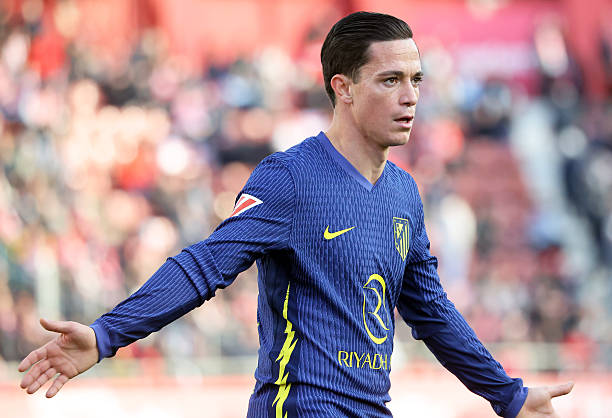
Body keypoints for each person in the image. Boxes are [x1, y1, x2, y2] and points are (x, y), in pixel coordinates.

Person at [18, 11, 572, 417]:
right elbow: (205, 265)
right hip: (298, 407)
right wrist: (106, 334)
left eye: (416, 80)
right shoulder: (289, 178)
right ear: (343, 88)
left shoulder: (405, 193)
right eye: (390, 80)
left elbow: (431, 311)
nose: (410, 97)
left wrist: (508, 395)